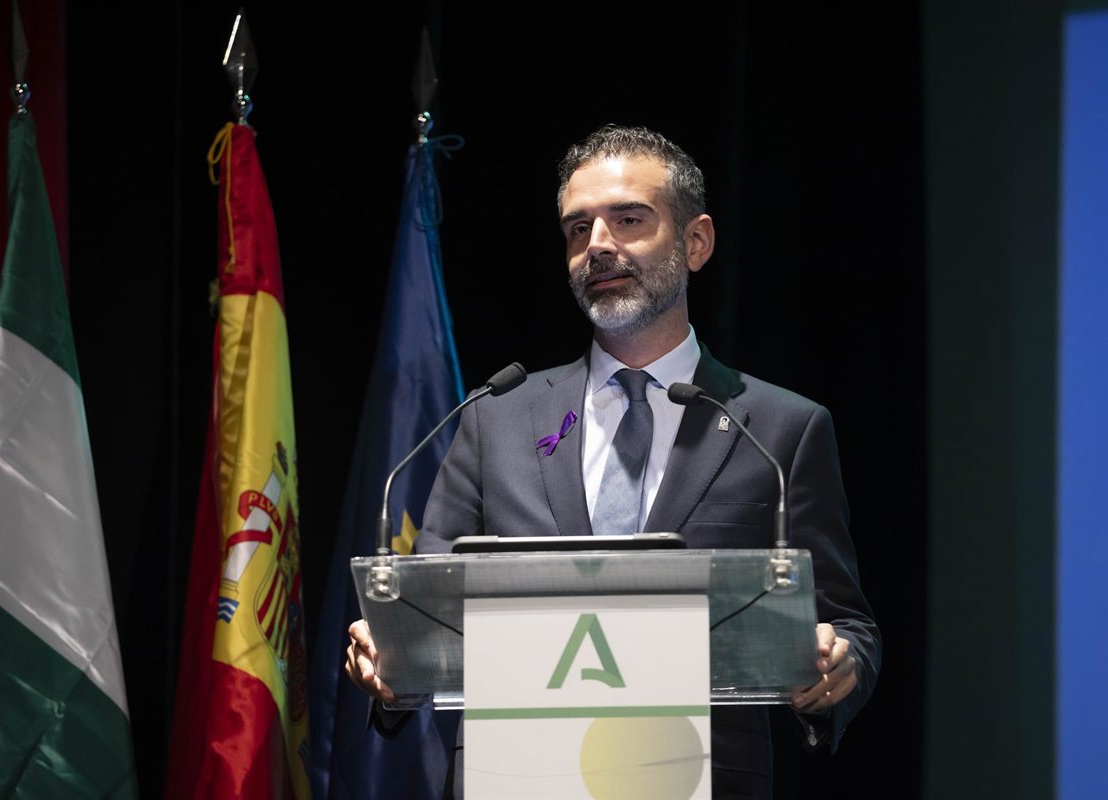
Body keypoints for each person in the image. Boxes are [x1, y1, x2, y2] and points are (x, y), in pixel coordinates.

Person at [346, 124, 881, 798]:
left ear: (696, 243)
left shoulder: (781, 430)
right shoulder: (495, 416)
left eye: (629, 220)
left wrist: (837, 664)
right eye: (578, 228)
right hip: (514, 776)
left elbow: (847, 624)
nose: (598, 244)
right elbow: (425, 609)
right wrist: (389, 655)